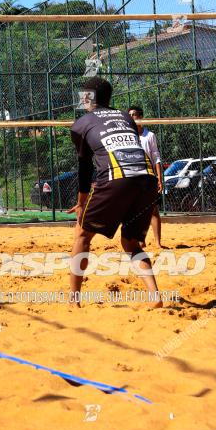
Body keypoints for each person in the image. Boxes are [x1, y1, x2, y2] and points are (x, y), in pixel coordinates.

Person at [66, 77, 162, 307]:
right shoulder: (126, 117)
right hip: (147, 179)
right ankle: (155, 296)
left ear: (88, 97)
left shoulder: (81, 123)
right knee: (131, 243)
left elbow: (85, 168)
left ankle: (73, 299)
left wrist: (81, 201)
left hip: (117, 178)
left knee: (82, 234)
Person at [128, 105, 164, 248]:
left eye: (134, 114)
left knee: (153, 210)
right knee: (136, 211)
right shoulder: (127, 137)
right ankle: (141, 240)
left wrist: (160, 179)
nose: (132, 117)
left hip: (148, 176)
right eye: (129, 115)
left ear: (141, 117)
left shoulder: (149, 136)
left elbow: (156, 158)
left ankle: (158, 243)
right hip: (132, 176)